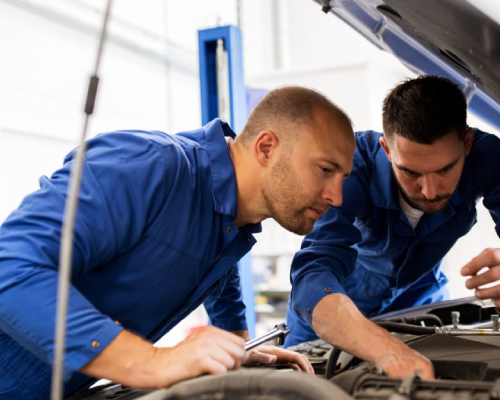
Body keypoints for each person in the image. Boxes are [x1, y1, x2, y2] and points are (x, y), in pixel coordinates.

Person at [0, 86, 355, 399]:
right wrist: (153, 362)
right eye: (325, 169)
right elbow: (12, 267)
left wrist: (237, 350)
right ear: (266, 147)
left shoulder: (233, 221)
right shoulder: (149, 166)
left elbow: (220, 282)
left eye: (343, 177)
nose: (337, 196)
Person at [284, 75, 500, 380]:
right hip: (334, 312)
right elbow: (312, 274)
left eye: (445, 169)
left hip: (419, 302)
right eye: (410, 171)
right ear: (387, 149)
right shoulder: (349, 169)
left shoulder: (488, 158)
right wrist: (382, 347)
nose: (429, 191)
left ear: (466, 144)